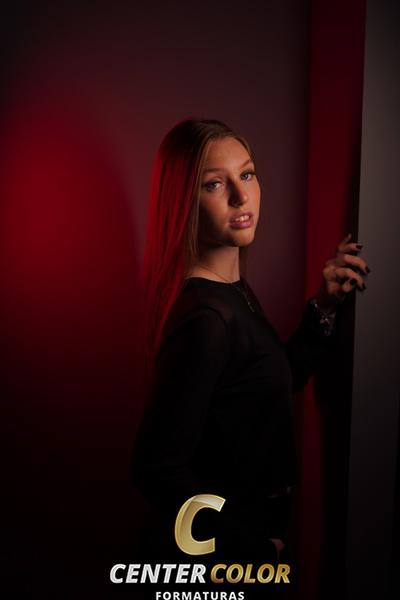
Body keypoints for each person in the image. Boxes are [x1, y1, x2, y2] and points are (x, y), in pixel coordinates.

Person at [131, 118, 369, 598]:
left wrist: (325, 306)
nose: (242, 197)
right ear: (184, 200)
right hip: (231, 561)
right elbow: (157, 469)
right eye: (215, 184)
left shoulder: (232, 293)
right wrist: (251, 551)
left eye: (248, 174)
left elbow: (270, 384)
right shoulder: (208, 319)